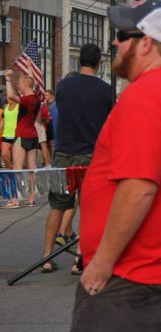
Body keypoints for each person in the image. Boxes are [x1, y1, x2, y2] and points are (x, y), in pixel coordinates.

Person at [71, 0, 161, 331]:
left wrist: (102, 262)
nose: (114, 43)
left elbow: (138, 190)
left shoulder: (145, 96)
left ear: (146, 43)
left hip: (135, 280)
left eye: (122, 35)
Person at [42, 43, 113, 275]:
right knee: (88, 208)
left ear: (79, 60)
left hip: (63, 153)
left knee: (57, 206)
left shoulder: (63, 86)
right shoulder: (105, 90)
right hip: (90, 155)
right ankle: (79, 259)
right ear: (98, 63)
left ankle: (47, 257)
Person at [4, 70, 40, 208]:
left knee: (17, 168)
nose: (18, 86)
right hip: (33, 135)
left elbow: (10, 95)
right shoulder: (36, 98)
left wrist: (8, 79)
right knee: (32, 167)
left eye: (20, 84)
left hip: (21, 135)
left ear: (25, 85)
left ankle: (15, 199)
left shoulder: (26, 100)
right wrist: (30, 68)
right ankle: (31, 198)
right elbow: (31, 82)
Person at [1, 98, 18, 169]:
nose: (7, 98)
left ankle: (17, 172)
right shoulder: (5, 106)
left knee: (16, 158)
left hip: (17, 134)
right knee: (4, 155)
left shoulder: (19, 106)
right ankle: (10, 170)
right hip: (6, 134)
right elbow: (3, 120)